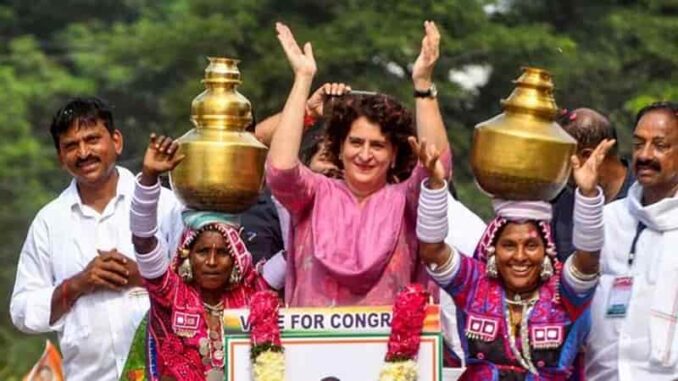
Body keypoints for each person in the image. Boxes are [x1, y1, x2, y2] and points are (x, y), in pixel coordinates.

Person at [266, 21, 451, 306]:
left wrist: (423, 84)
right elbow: (279, 170)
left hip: (393, 349)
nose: (364, 155)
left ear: (393, 156)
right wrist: (303, 79)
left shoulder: (405, 200)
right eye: (356, 142)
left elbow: (437, 164)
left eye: (377, 145)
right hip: (313, 348)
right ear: (339, 149)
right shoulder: (313, 193)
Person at [10, 97, 183, 381]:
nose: (83, 152)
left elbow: (200, 289)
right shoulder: (49, 222)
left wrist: (143, 276)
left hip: (165, 375)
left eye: (92, 139)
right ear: (60, 157)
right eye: (70, 146)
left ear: (116, 141)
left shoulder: (165, 205)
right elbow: (21, 311)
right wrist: (79, 283)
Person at [416, 133, 615, 379]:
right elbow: (432, 251)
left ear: (546, 250)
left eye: (531, 245)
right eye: (509, 245)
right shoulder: (474, 284)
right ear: (493, 250)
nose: (520, 256)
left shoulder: (563, 291)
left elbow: (588, 260)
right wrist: (435, 188)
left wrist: (587, 197)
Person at [128, 134, 285, 381]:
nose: (212, 262)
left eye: (222, 252)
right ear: (188, 255)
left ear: (235, 257)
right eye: (203, 252)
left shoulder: (253, 290)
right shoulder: (170, 292)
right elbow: (143, 240)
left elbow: (296, 253)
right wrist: (149, 178)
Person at [586, 101, 678, 381]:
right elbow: (575, 286)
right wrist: (586, 197)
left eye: (660, 145)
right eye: (639, 144)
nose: (645, 155)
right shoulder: (608, 219)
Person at [551, 108, 634, 260]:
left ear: (588, 156)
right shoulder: (558, 200)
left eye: (560, 158)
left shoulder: (648, 192)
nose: (556, 168)